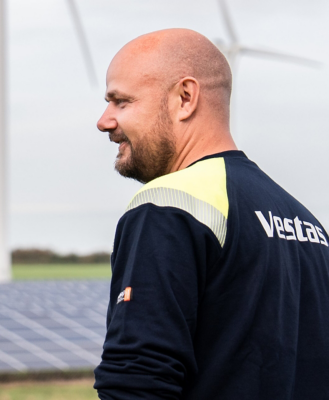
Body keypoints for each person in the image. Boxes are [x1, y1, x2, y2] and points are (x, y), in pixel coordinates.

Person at [93, 29, 329, 399]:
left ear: (185, 98)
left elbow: (136, 380)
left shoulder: (168, 204)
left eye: (121, 102)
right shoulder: (307, 225)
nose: (104, 121)